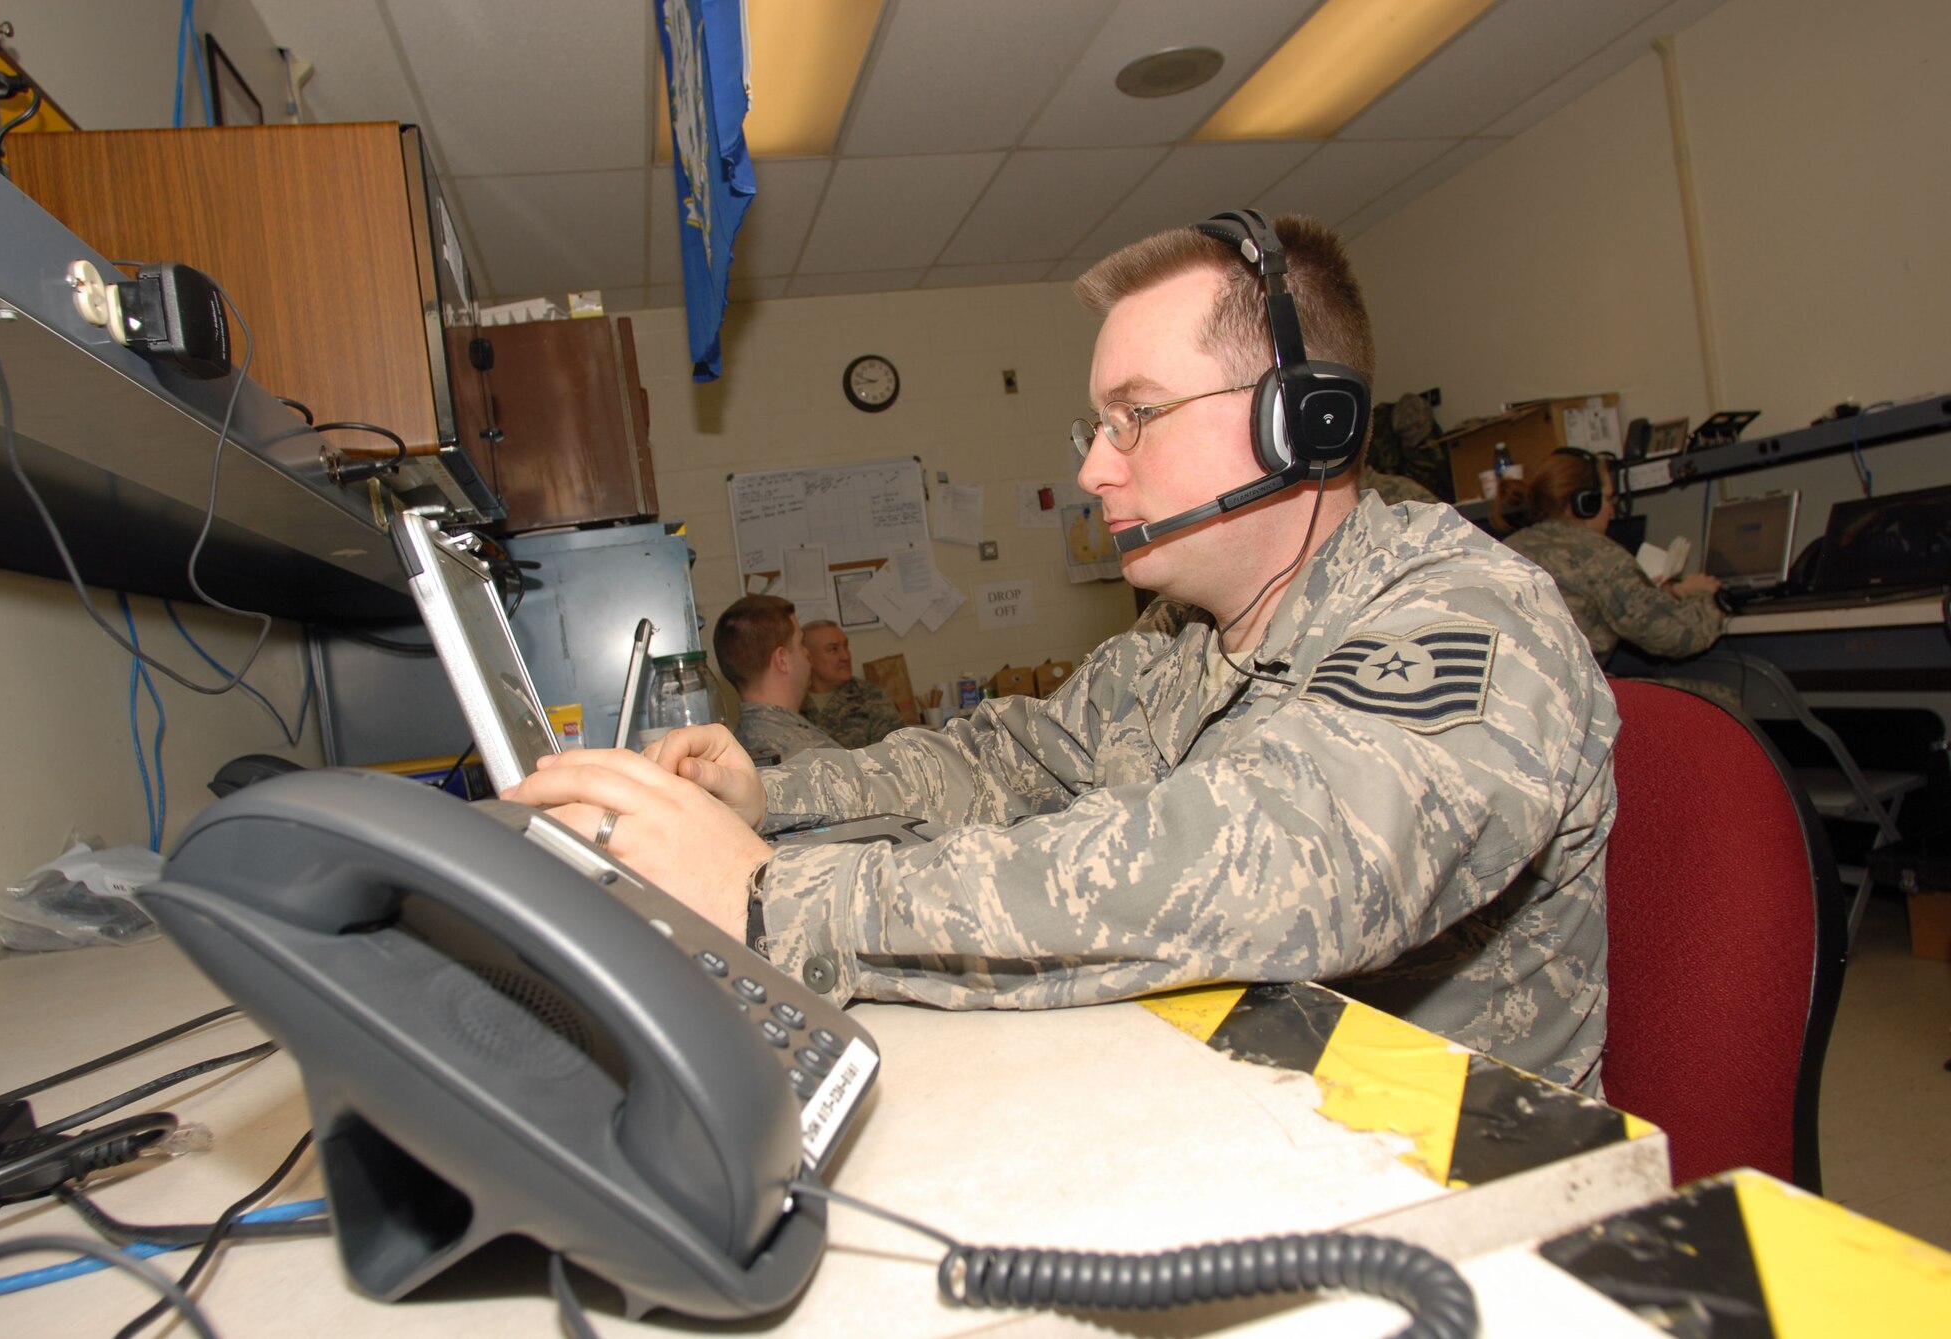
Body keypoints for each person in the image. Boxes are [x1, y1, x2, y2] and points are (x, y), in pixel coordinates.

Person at [504, 211, 1618, 1092]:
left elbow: (1277, 864)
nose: (1095, 469)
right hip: (1233, 1111)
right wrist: (774, 795)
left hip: (1446, 1175)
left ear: (1302, 421)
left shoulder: (1470, 616)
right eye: (1095, 427)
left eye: (1134, 415)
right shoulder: (1177, 643)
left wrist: (778, 900)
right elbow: (1005, 761)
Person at [1499, 449, 1725, 664]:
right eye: (1608, 499)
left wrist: (1671, 593)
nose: (1612, 510)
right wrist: (1704, 596)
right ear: (1585, 502)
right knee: (1723, 697)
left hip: (1519, 697)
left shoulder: (1506, 548)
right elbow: (1681, 636)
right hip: (1578, 700)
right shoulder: (1597, 554)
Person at [709, 595, 842, 764]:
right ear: (782, 660)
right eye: (801, 643)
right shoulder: (812, 757)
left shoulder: (734, 748)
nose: (807, 653)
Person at [799, 619, 905, 748]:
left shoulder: (872, 697)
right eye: (833, 649)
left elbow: (894, 756)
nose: (845, 656)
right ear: (807, 657)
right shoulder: (792, 702)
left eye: (845, 646)